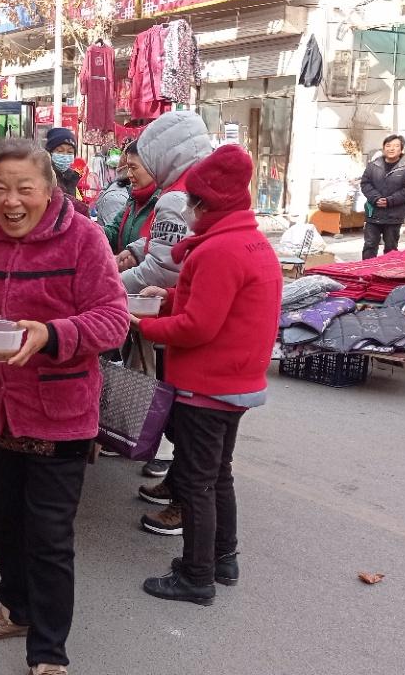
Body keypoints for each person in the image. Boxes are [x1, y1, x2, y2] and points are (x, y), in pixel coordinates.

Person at [0, 139, 127, 675]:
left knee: (47, 539)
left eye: (25, 188)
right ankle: (16, 609)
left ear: (48, 191)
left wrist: (52, 333)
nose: (11, 200)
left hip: (59, 417)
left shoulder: (83, 240)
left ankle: (48, 652)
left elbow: (114, 319)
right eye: (0, 188)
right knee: (3, 523)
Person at [131, 144, 282, 606]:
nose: (189, 210)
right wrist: (171, 296)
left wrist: (144, 323)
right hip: (236, 381)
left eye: (194, 202)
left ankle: (197, 577)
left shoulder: (218, 250)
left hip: (207, 383)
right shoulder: (250, 242)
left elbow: (199, 326)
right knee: (218, 475)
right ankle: (224, 559)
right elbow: (219, 307)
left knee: (196, 481)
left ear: (208, 204)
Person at [122, 111, 209, 503]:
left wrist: (107, 289)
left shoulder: (177, 196)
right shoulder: (195, 190)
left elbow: (162, 267)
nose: (134, 169)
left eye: (140, 160)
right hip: (192, 310)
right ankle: (178, 482)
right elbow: (172, 249)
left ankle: (182, 500)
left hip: (179, 317)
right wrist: (132, 250)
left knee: (183, 411)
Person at [360, 134, 405, 260]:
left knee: (391, 248)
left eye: (396, 146)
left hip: (394, 215)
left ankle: (387, 275)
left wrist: (389, 201)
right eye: (388, 145)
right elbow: (365, 183)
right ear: (383, 148)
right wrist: (375, 198)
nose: (391, 149)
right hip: (373, 213)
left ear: (401, 149)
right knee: (369, 245)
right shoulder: (373, 165)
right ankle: (365, 273)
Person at [44, 127, 89, 216]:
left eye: (70, 152)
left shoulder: (73, 178)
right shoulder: (45, 178)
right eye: (60, 151)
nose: (65, 155)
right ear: (49, 152)